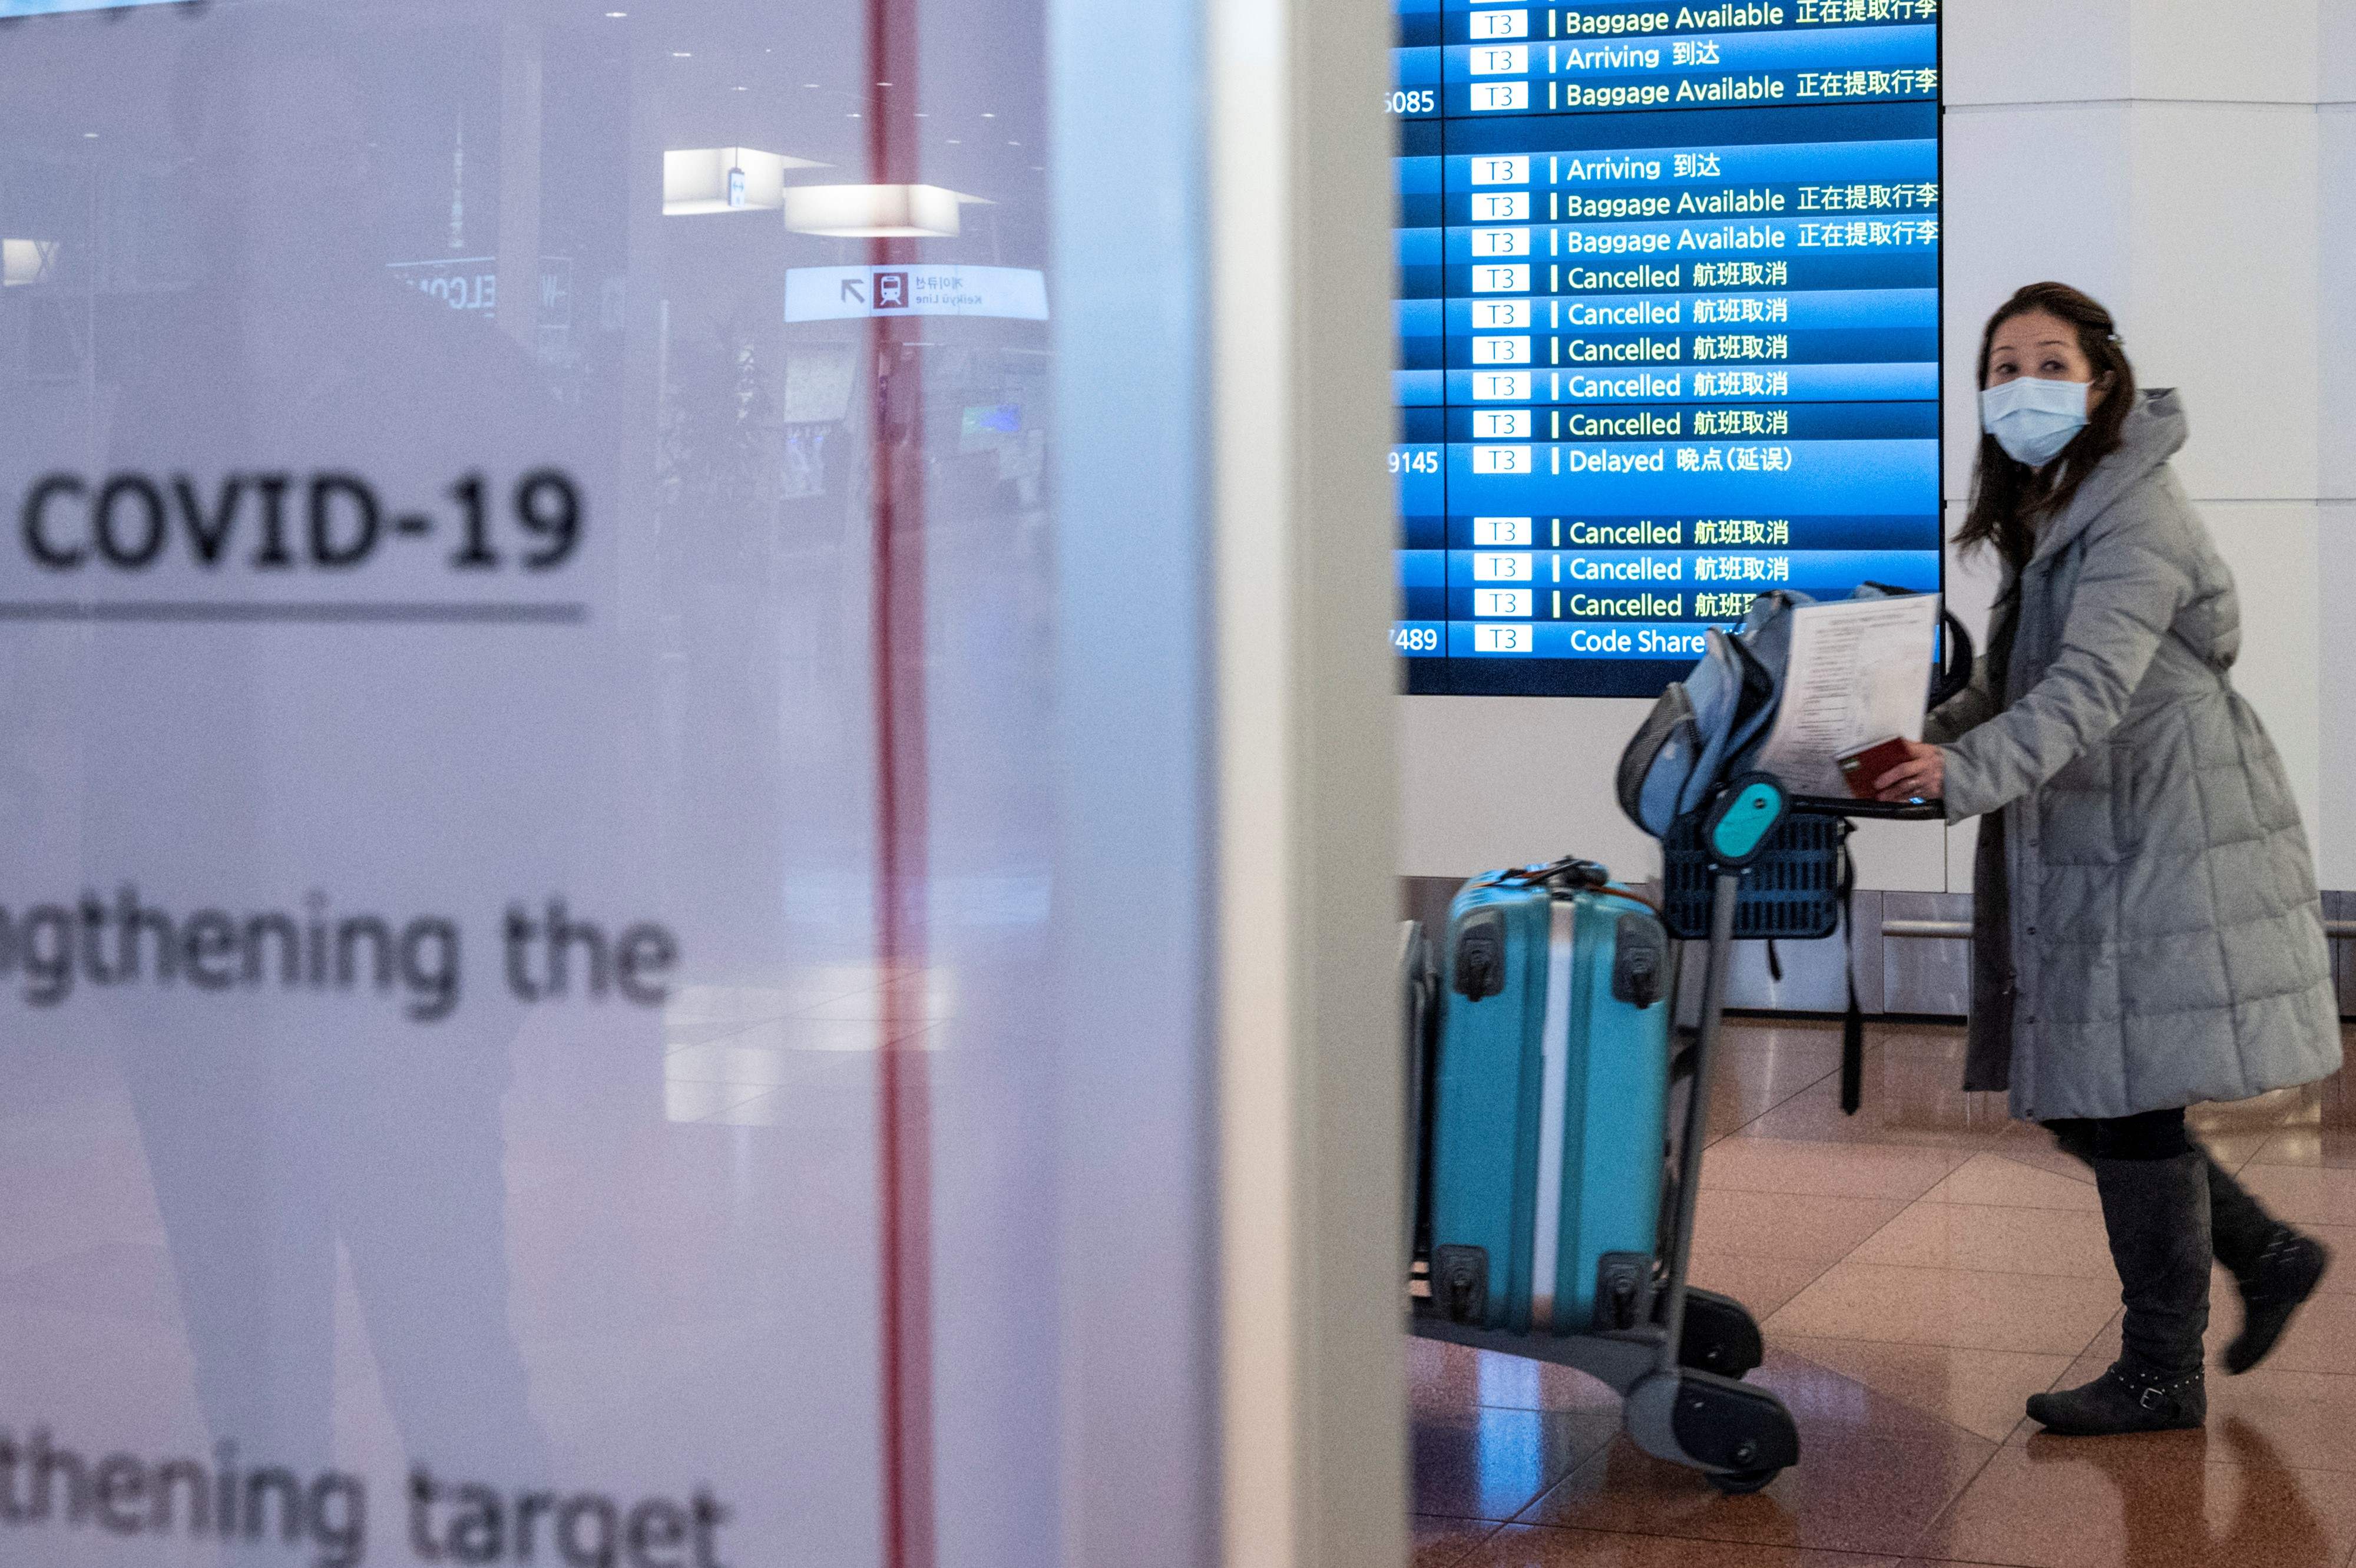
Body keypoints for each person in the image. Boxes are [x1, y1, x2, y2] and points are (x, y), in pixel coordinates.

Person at [1872, 282, 2342, 1436]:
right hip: (2102, 831)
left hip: (2167, 834)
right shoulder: (2052, 507)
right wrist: (1912, 745)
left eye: (2047, 362)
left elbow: (2086, 690)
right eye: (1999, 366)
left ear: (2100, 380)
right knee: (2089, 1095)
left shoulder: (2135, 513)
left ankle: (2158, 1368)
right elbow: (2010, 684)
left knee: (2119, 1101)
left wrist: (1965, 775)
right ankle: (2264, 1253)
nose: (2020, 386)